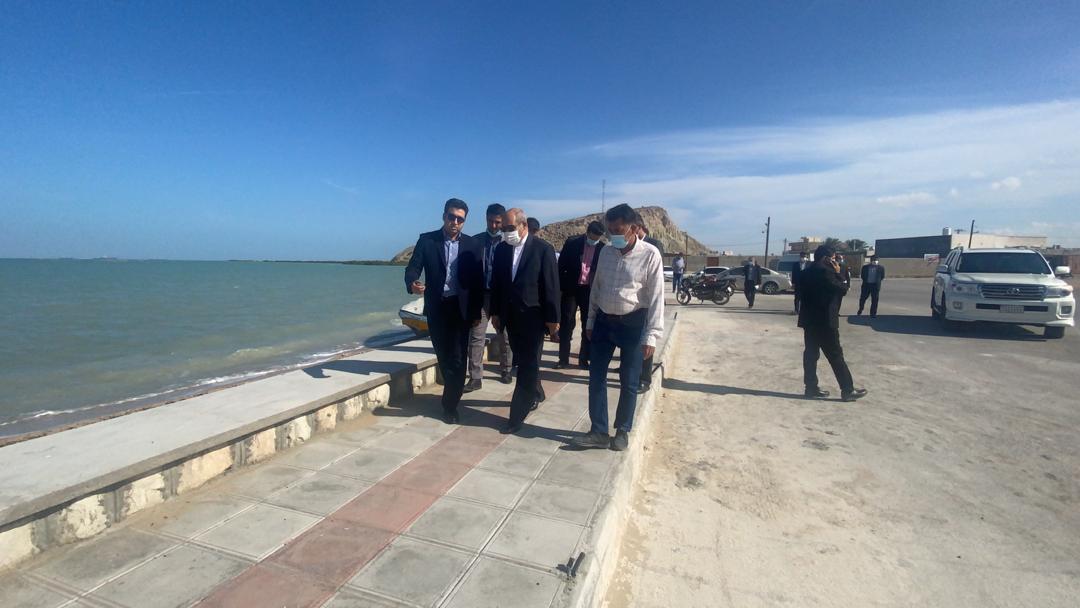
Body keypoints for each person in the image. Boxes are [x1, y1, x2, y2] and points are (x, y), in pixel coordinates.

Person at [573, 204, 664, 451]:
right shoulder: (606, 252)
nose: (613, 235)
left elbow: (656, 297)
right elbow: (597, 288)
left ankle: (622, 430)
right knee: (596, 377)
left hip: (633, 324)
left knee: (629, 380)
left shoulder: (650, 255)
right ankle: (599, 431)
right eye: (610, 230)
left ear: (633, 228)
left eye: (618, 230)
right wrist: (590, 321)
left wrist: (652, 336)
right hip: (604, 322)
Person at [404, 198, 484, 424]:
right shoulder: (427, 240)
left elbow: (478, 281)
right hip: (437, 308)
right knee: (444, 356)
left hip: (461, 309)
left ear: (464, 221)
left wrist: (476, 312)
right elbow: (413, 267)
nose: (455, 222)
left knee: (458, 358)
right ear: (444, 216)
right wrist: (412, 282)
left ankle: (450, 405)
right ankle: (452, 390)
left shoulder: (473, 245)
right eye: (452, 217)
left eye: (460, 219)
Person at [490, 208, 560, 434]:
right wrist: (495, 313)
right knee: (523, 360)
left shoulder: (542, 249)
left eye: (510, 228)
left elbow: (551, 286)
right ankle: (537, 391)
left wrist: (553, 319)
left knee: (527, 366)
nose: (506, 232)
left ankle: (516, 416)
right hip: (510, 317)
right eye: (504, 229)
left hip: (533, 317)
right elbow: (497, 283)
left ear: (524, 226)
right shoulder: (501, 249)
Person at [798, 245, 867, 402]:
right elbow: (842, 289)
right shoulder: (826, 272)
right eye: (834, 258)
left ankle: (811, 388)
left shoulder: (806, 271)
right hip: (825, 321)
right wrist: (838, 273)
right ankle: (848, 390)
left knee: (811, 355)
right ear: (826, 258)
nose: (836, 261)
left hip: (809, 320)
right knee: (835, 355)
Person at [465, 203, 513, 392]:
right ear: (486, 219)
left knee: (505, 335)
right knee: (476, 336)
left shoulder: (509, 243)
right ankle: (475, 377)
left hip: (501, 297)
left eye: (497, 222)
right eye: (490, 221)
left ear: (503, 222)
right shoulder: (475, 241)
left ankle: (506, 369)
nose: (493, 226)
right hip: (481, 295)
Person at [556, 221, 606, 370]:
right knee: (566, 323)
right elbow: (561, 266)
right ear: (587, 232)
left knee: (587, 324)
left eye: (598, 238)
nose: (595, 240)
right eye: (593, 237)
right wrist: (561, 288)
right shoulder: (572, 243)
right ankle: (563, 359)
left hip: (589, 291)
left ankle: (584, 359)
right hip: (571, 289)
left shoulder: (602, 248)